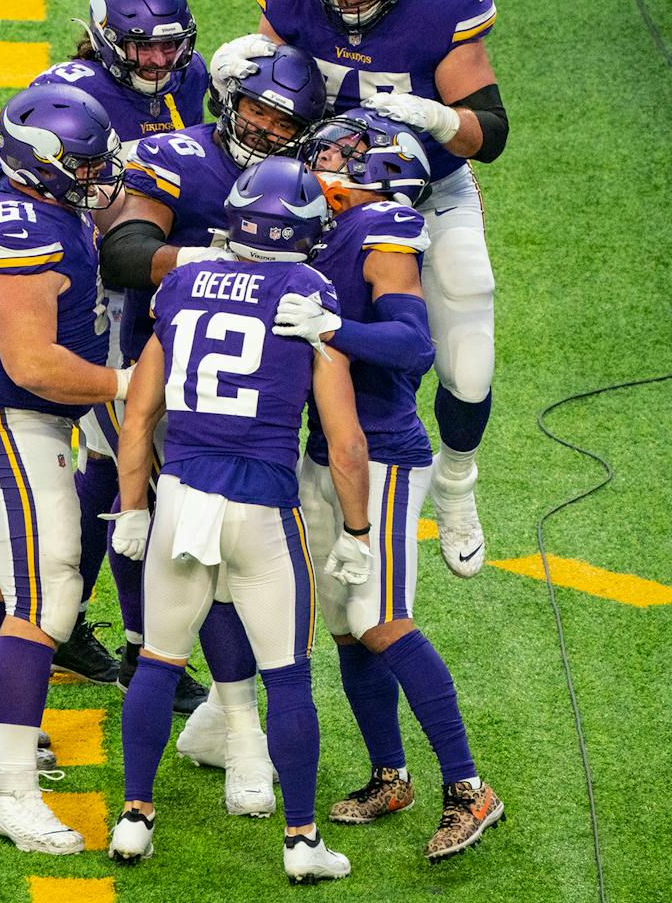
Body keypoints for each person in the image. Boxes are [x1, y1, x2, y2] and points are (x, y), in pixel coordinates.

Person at [107, 157, 367, 884]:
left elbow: (140, 413)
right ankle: (301, 839)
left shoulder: (182, 283)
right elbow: (344, 443)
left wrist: (132, 506)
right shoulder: (308, 290)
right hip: (259, 505)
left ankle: (134, 818)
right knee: (287, 677)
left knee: (158, 662)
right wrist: (357, 531)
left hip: (182, 499)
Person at [249, 0, 511, 576]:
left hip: (426, 190)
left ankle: (457, 485)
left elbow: (491, 134)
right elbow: (268, 77)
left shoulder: (445, 3)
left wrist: (436, 118)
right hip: (316, 193)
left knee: (467, 348)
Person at [98, 41, 327, 814]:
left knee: (215, 573)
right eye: (257, 108)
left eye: (282, 119)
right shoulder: (179, 157)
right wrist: (227, 257)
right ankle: (241, 735)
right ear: (230, 99)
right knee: (215, 577)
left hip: (246, 402)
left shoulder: (318, 173)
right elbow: (123, 252)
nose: (263, 128)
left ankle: (223, 740)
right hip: (166, 384)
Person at [277, 109, 504, 861]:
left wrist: (329, 329)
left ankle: (470, 789)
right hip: (328, 450)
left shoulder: (385, 230)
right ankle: (390, 775)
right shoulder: (335, 227)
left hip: (381, 457)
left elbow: (410, 344)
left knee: (382, 620)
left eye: (343, 152)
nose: (326, 158)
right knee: (344, 623)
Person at [0, 83, 132, 855]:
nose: (97, 178)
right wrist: (128, 383)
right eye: (83, 167)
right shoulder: (20, 228)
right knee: (49, 600)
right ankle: (7, 791)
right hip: (9, 421)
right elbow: (35, 363)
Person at [28, 0, 210, 689]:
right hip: (90, 299)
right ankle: (143, 650)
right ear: (103, 37)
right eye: (141, 47)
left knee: (109, 464)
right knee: (144, 470)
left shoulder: (192, 80)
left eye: (169, 47)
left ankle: (66, 622)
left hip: (156, 292)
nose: (158, 62)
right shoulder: (62, 101)